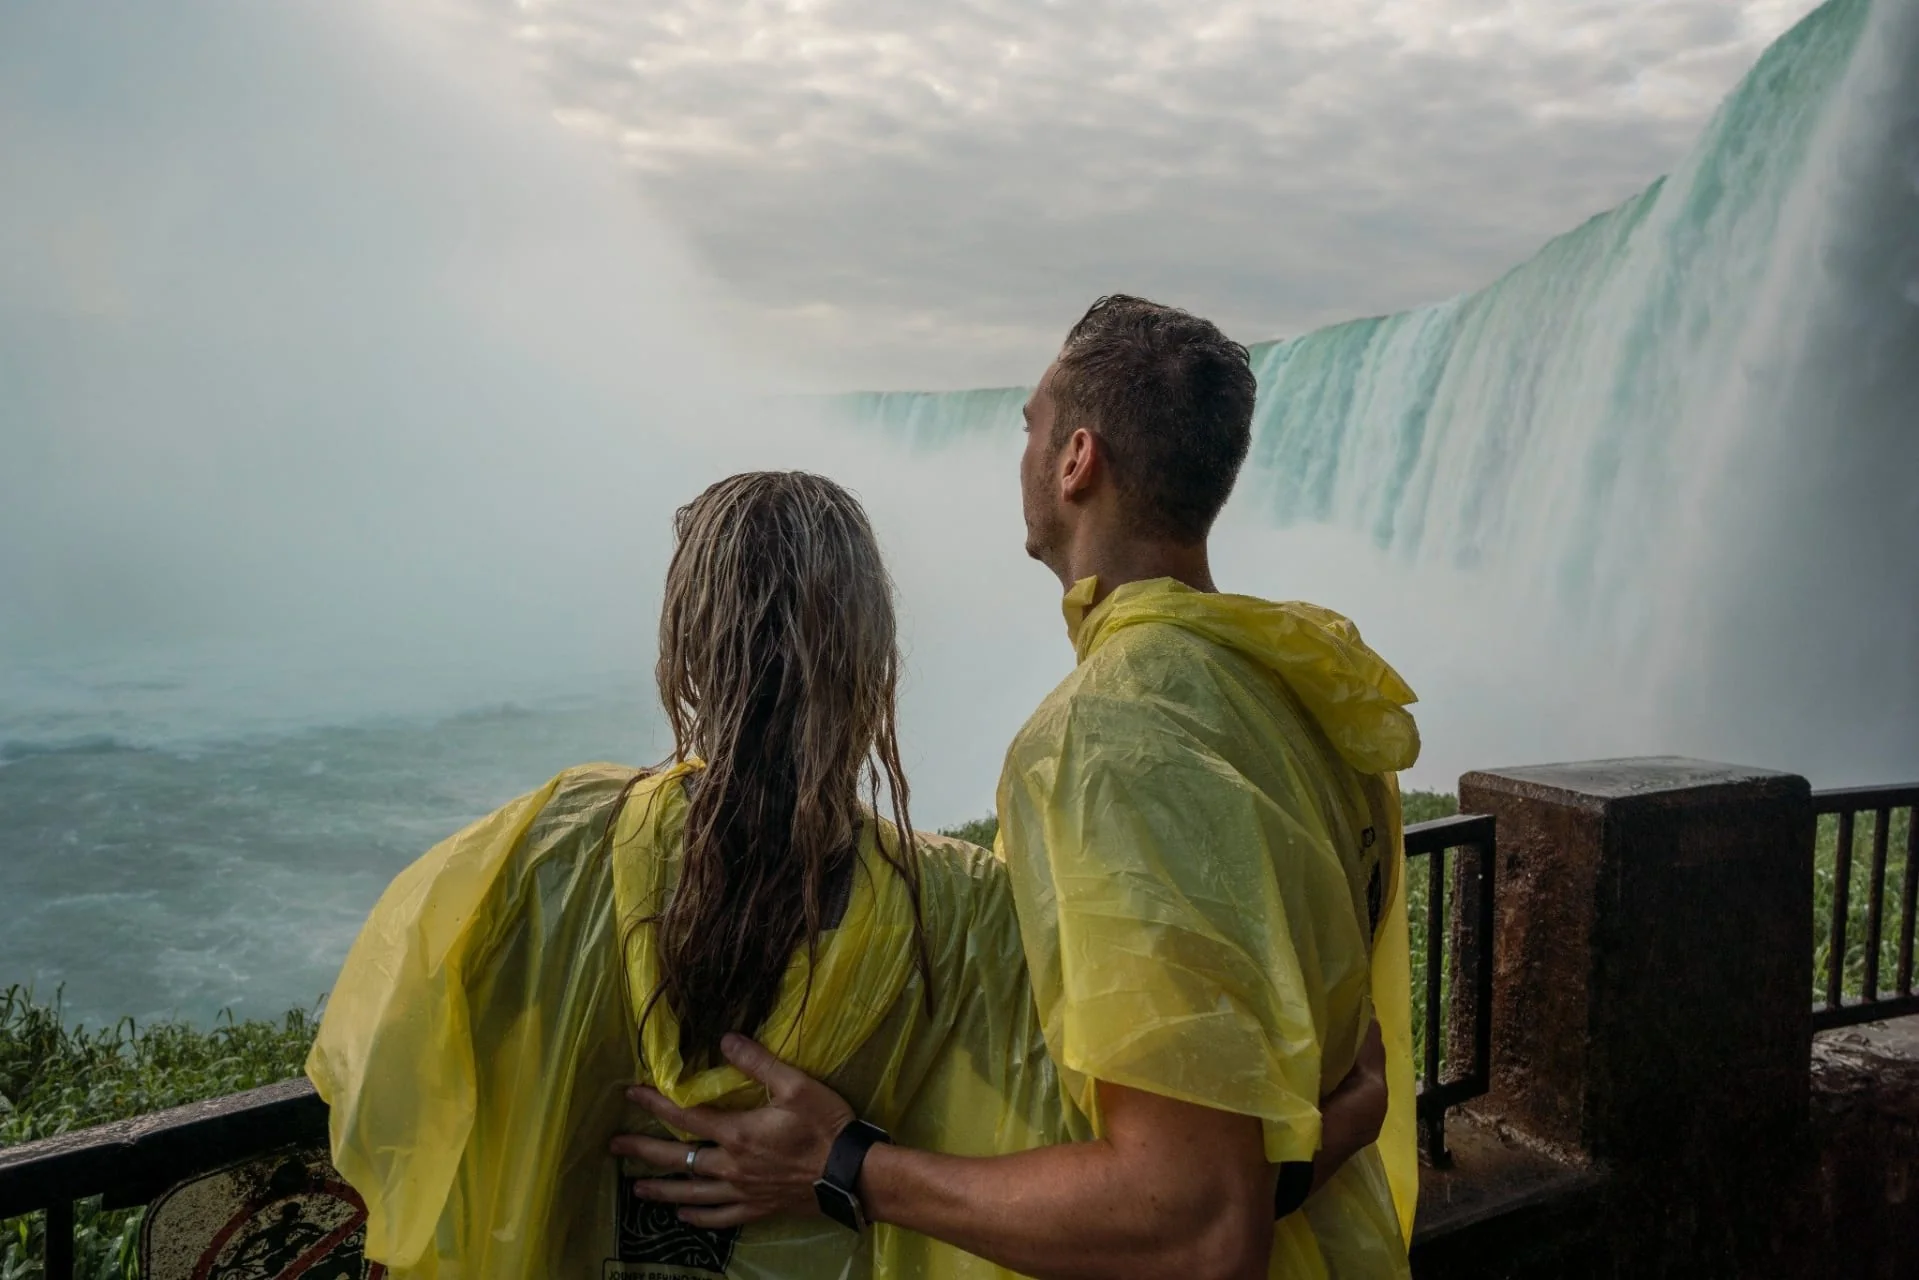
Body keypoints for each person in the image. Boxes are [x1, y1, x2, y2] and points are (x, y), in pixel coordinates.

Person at [306, 469, 1391, 1280]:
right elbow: (1125, 1181)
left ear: (684, 653)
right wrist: (1327, 1132)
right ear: (872, 661)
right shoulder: (960, 913)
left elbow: (398, 1092)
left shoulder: (539, 858)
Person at [620, 298, 1422, 1280]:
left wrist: (841, 1164)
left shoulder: (1106, 740)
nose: (1022, 452)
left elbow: (1194, 1225)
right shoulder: (1300, 691)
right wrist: (1324, 1134)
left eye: (1029, 427)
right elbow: (1313, 1071)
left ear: (1076, 458)